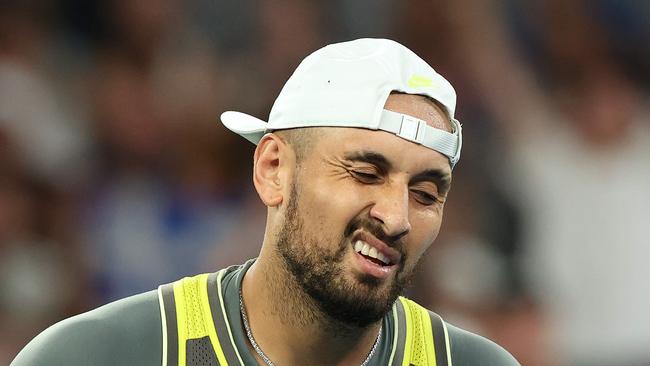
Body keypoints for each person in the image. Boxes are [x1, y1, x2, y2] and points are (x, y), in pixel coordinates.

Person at [12, 38, 519, 366]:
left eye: (426, 193)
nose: (396, 216)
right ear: (272, 169)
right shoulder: (98, 357)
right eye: (365, 173)